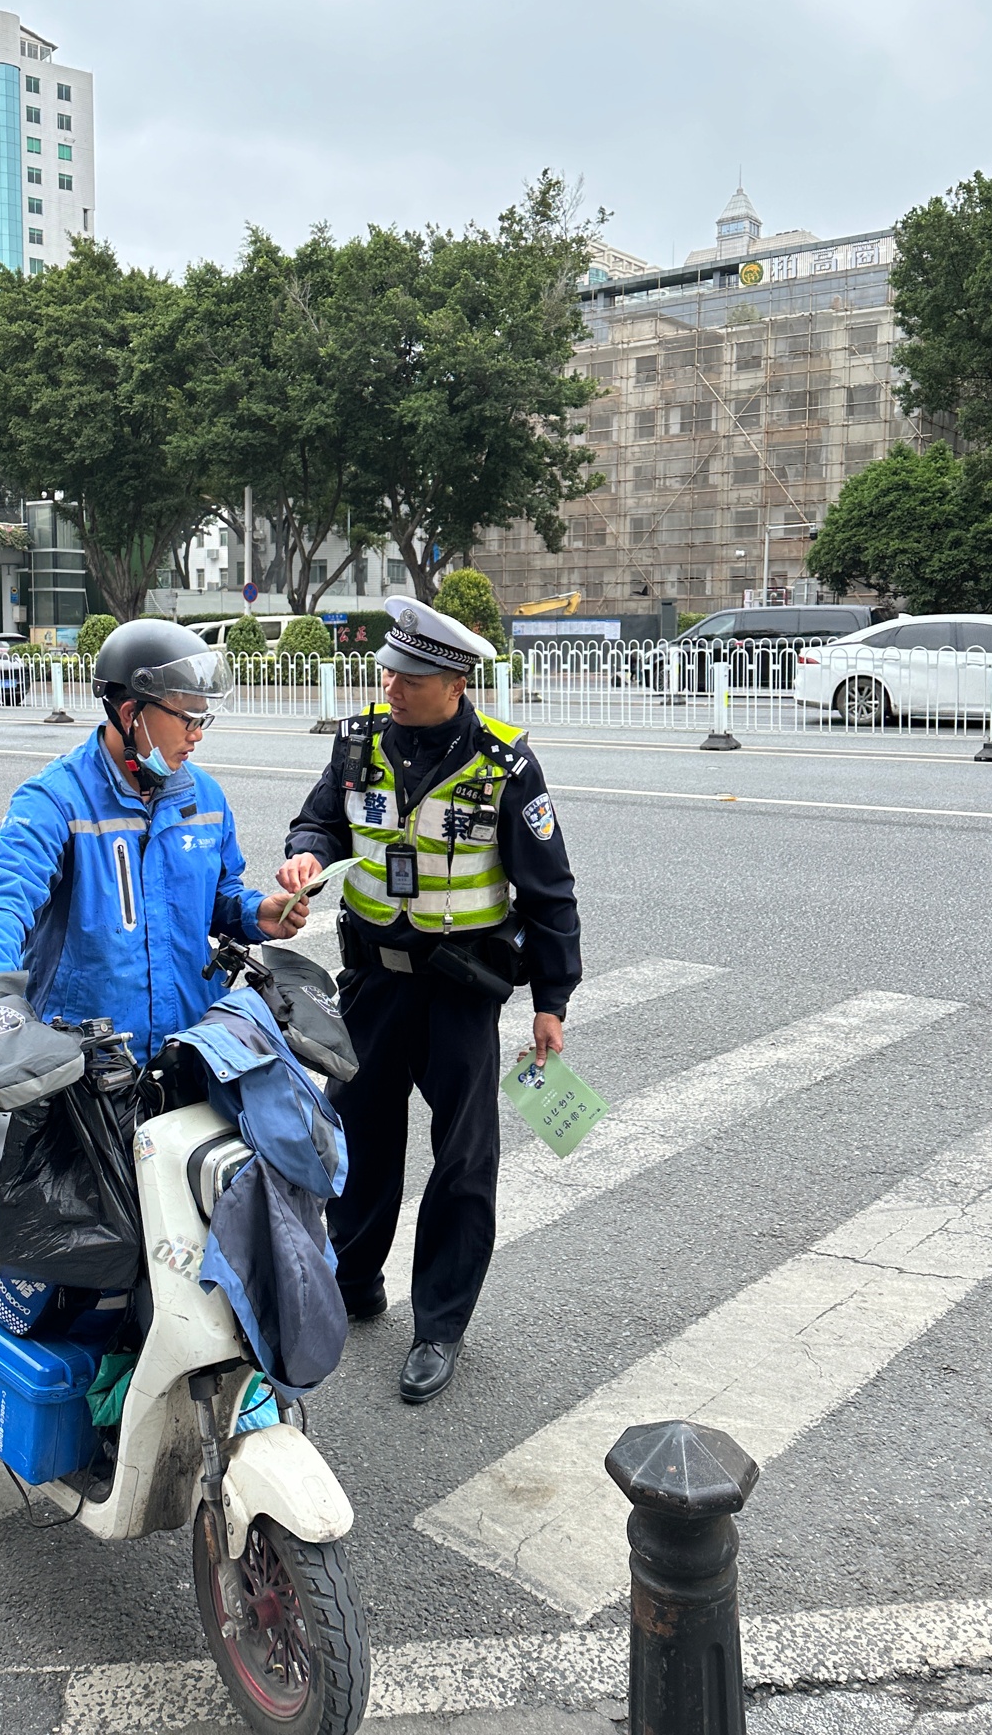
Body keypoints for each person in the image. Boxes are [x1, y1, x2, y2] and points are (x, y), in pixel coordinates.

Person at [277, 596, 581, 1404]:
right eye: (386, 673)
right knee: (357, 1139)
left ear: (454, 682)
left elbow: (549, 893)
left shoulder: (505, 764)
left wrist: (552, 999)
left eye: (409, 678)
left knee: (464, 1161)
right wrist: (306, 858)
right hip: (372, 981)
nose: (391, 688)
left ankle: (440, 1324)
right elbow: (319, 824)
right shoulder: (357, 743)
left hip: (459, 992)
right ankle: (354, 1278)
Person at [0, 618, 308, 1056]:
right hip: (86, 1066)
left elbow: (218, 897)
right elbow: (1, 907)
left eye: (203, 718)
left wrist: (256, 913)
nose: (197, 735)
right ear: (130, 714)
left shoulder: (204, 796)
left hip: (192, 1049)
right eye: (187, 718)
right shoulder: (56, 800)